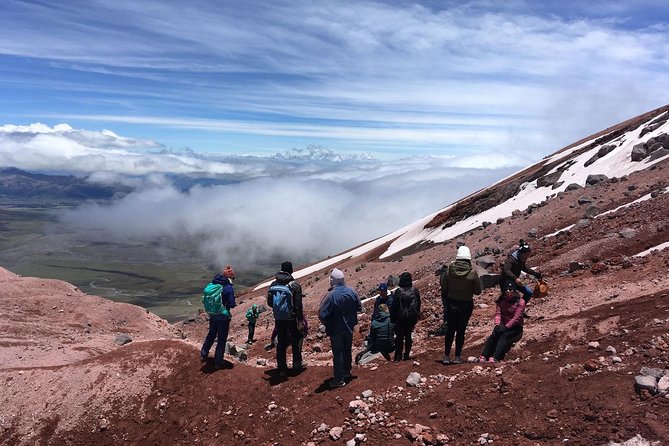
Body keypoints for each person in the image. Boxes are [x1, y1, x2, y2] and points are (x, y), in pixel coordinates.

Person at [319, 268, 362, 388]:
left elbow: (322, 313)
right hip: (349, 326)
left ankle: (338, 379)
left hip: (336, 328)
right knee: (347, 349)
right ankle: (347, 372)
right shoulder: (352, 291)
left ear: (332, 281)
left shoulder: (331, 295)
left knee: (338, 354)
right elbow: (359, 307)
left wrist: (328, 324)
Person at [441, 245, 482, 364]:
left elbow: (444, 287)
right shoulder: (472, 273)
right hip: (466, 305)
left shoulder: (449, 270)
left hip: (451, 302)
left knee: (450, 330)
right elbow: (478, 291)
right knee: (461, 331)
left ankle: (446, 356)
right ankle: (458, 356)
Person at [267, 261, 305, 377]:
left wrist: (279, 308)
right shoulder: (295, 285)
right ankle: (297, 364)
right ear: (291, 270)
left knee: (281, 342)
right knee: (297, 338)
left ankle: (282, 369)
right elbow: (298, 305)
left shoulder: (273, 284)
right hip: (292, 318)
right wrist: (300, 320)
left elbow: (269, 302)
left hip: (279, 319)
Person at [480, 280, 525, 363]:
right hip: (503, 324)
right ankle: (484, 355)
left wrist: (506, 327)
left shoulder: (520, 302)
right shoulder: (501, 300)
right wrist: (497, 324)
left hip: (515, 327)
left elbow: (516, 318)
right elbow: (498, 313)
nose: (508, 291)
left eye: (510, 289)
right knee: (494, 334)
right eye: (506, 289)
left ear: (514, 290)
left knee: (503, 336)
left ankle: (496, 357)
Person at [200, 265, 236, 369]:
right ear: (230, 277)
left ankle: (203, 354)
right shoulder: (228, 287)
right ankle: (218, 362)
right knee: (221, 339)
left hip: (212, 313)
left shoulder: (214, 284)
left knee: (211, 333)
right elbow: (232, 304)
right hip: (223, 316)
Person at [389, 271, 421, 362]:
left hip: (400, 318)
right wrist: (416, 315)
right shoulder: (415, 290)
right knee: (408, 336)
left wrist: (392, 318)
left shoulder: (399, 291)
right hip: (411, 318)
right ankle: (406, 355)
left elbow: (394, 306)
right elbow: (418, 304)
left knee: (399, 337)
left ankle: (398, 357)